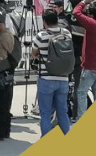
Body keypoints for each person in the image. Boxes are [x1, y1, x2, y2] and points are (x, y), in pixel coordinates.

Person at [31, 9, 73, 137]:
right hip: (63, 78)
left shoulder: (41, 36)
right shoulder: (66, 33)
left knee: (45, 113)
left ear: (44, 22)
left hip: (46, 78)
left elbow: (34, 54)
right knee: (62, 112)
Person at [72, 0, 96, 122]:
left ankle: (80, 118)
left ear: (91, 14)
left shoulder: (92, 24)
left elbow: (75, 12)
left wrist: (84, 2)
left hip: (90, 65)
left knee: (81, 92)